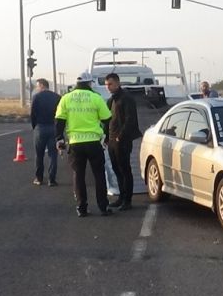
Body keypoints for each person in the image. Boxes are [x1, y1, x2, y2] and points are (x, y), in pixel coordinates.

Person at [55, 72, 113, 217]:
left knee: (78, 175)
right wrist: (105, 136)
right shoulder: (96, 97)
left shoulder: (66, 98)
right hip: (94, 142)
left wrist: (59, 139)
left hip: (75, 143)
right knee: (99, 175)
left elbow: (59, 120)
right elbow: (107, 119)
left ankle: (82, 208)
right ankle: (103, 207)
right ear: (90, 83)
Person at [104, 73, 143, 211]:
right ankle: (121, 196)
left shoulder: (126, 98)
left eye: (110, 84)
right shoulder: (111, 100)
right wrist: (107, 137)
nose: (108, 87)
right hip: (112, 141)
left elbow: (130, 120)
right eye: (106, 84)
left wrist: (121, 136)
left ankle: (128, 200)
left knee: (125, 169)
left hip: (122, 140)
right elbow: (107, 119)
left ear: (118, 83)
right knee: (117, 170)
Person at [30, 78, 61, 186]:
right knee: (53, 155)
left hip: (40, 127)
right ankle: (52, 180)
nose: (37, 88)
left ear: (42, 85)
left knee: (39, 154)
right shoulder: (57, 97)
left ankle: (39, 178)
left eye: (38, 86)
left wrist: (35, 127)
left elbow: (32, 114)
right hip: (53, 127)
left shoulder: (36, 97)